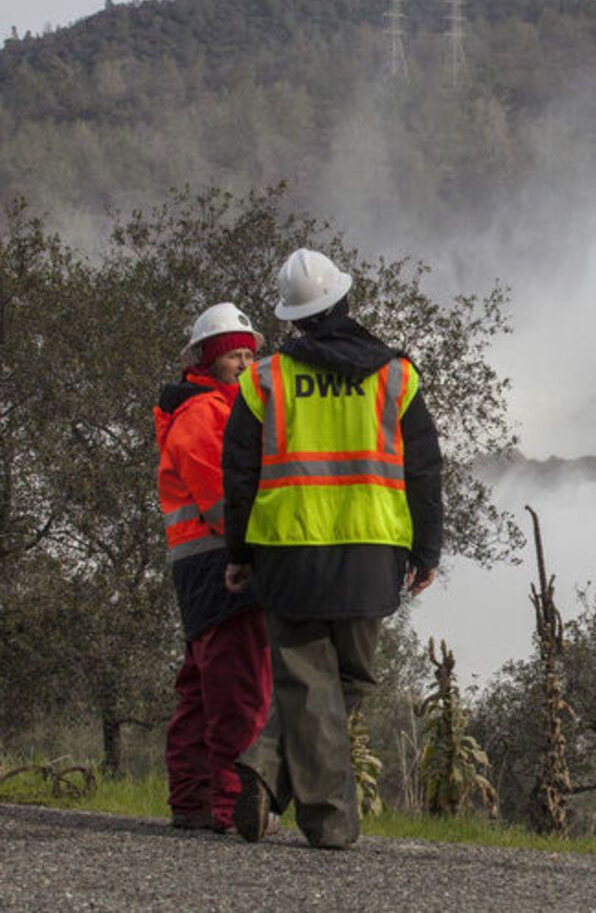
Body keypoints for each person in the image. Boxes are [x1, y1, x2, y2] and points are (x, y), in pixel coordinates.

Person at [222, 248, 442, 849]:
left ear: (294, 319)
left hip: (289, 550)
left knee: (310, 681)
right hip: (372, 550)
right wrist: (428, 549)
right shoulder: (397, 374)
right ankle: (330, 822)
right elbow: (424, 470)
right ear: (346, 300)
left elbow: (239, 476)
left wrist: (237, 554)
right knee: (351, 677)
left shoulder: (262, 379)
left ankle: (267, 768)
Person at [153, 302, 273, 833]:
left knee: (202, 691)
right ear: (207, 360)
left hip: (200, 568)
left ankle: (194, 803)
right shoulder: (205, 414)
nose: (245, 365)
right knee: (238, 691)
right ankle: (225, 805)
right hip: (223, 567)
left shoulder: (215, 408)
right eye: (233, 357)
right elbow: (222, 502)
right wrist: (260, 549)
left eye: (250, 355)